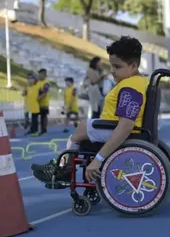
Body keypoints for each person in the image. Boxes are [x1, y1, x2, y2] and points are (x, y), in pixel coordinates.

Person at [31, 36, 148, 186]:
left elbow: (125, 126)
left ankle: (64, 171)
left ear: (133, 66)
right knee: (83, 127)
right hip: (113, 127)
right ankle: (63, 166)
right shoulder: (139, 81)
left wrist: (98, 159)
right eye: (111, 66)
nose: (112, 71)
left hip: (118, 131)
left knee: (80, 131)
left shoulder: (130, 88)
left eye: (117, 67)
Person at [37, 69, 51, 135]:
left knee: (43, 116)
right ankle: (36, 129)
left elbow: (45, 92)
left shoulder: (46, 83)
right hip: (37, 103)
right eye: (39, 74)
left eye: (41, 74)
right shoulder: (37, 82)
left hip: (44, 103)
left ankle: (44, 130)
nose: (39, 75)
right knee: (37, 117)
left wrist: (38, 98)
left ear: (45, 75)